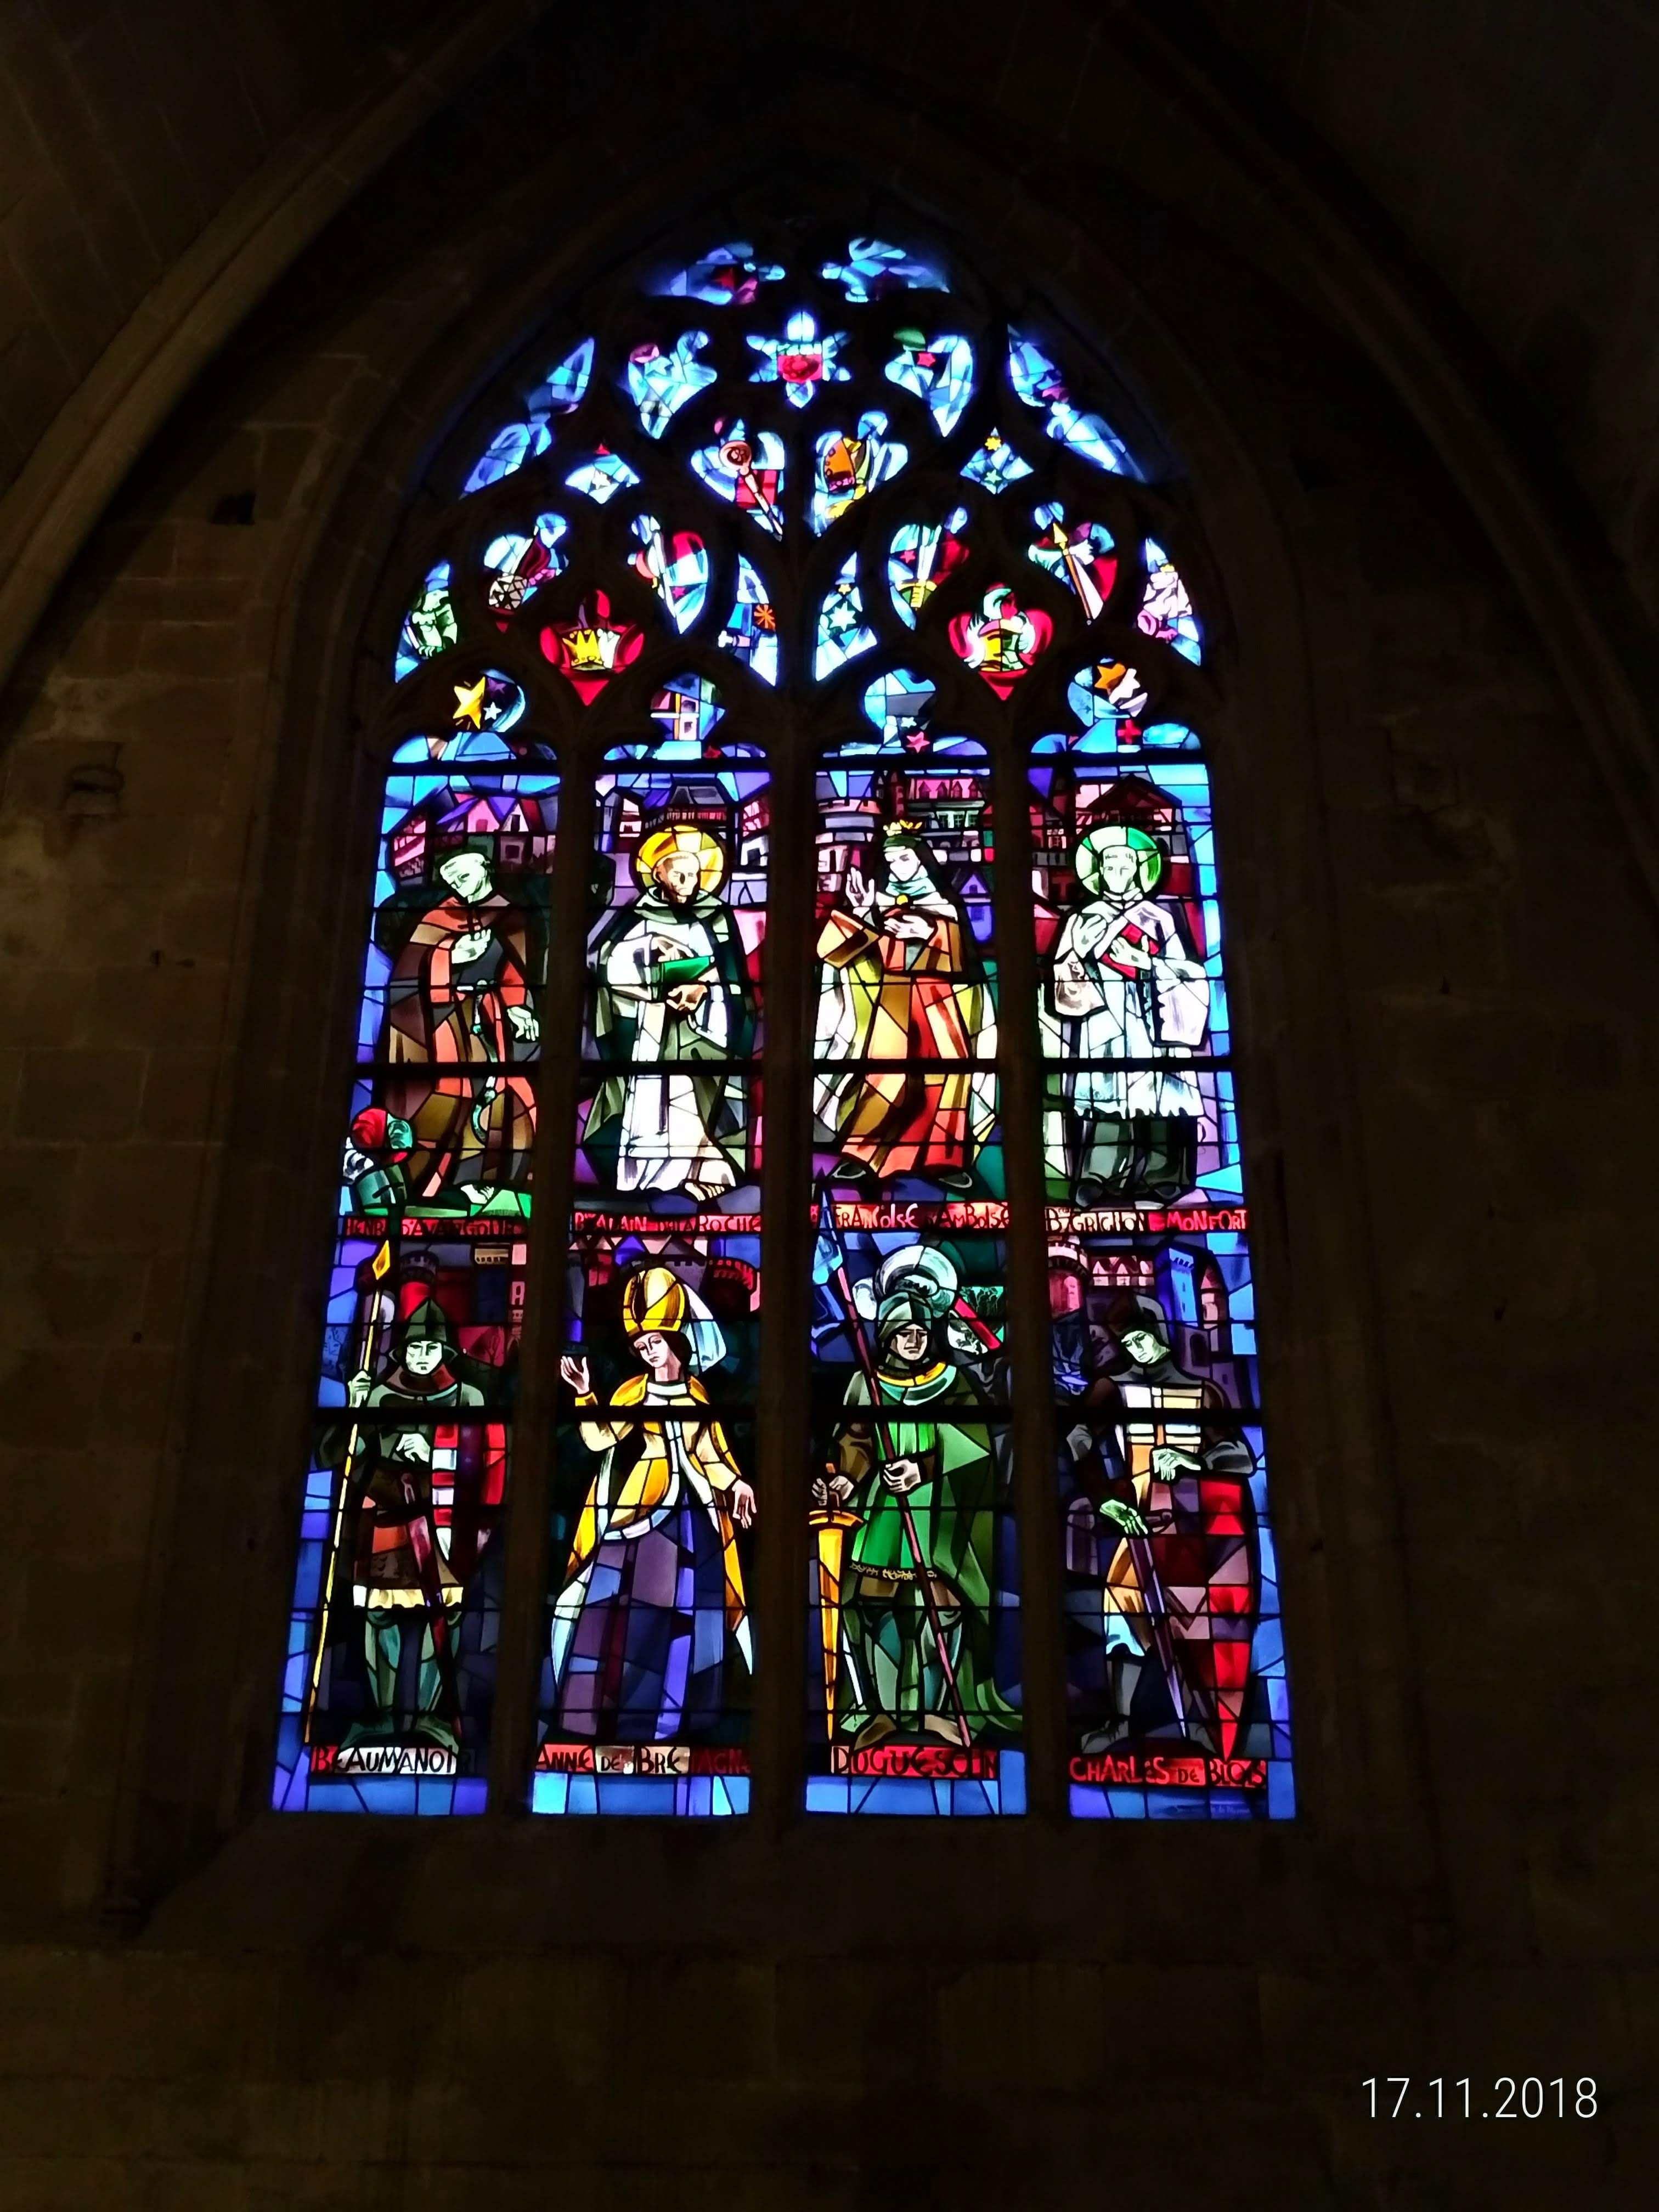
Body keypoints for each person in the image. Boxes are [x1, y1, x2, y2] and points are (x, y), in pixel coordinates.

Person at [551, 1266, 755, 1741]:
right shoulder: (634, 1391)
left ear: (675, 1339)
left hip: (694, 1516)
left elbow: (711, 1456)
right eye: (641, 1346)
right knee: (635, 1617)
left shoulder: (698, 1395)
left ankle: (674, 1721)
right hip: (640, 1513)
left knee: (688, 1618)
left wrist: (738, 1485)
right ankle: (623, 1719)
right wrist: (584, 1395)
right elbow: (601, 1439)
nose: (648, 1352)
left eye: (655, 1342)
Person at [818, 1275, 1015, 1747]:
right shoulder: (866, 1384)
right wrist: (847, 1476)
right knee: (874, 1608)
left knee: (940, 1609)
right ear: (886, 1337)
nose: (913, 1341)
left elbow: (975, 1444)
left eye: (921, 1332)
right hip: (882, 1513)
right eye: (903, 1333)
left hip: (936, 1516)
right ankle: (885, 1712)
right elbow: (855, 1439)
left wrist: (923, 1467)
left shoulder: (953, 1383)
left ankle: (934, 1711)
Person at [1059, 1292, 1256, 1757]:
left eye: (1143, 1339)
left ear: (1162, 1334)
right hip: (1139, 1522)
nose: (1138, 1350)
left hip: (1194, 1531)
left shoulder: (1203, 1394)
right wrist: (1106, 1500)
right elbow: (1078, 1438)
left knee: (1195, 1625)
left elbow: (1241, 1457)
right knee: (1122, 1615)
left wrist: (1193, 1461)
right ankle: (1120, 1722)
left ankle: (1203, 1725)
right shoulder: (1113, 1390)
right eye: (1129, 1343)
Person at [333, 1296, 504, 1751]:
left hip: (446, 1523)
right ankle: (382, 1714)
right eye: (414, 1348)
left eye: (431, 1348)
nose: (422, 1357)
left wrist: (434, 1452)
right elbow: (346, 1455)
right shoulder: (378, 1395)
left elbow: (489, 1458)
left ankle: (431, 1717)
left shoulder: (468, 1398)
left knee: (442, 1613)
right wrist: (355, 1408)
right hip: (386, 1516)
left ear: (445, 1352)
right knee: (379, 1614)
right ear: (402, 1352)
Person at [814, 821, 996, 1191]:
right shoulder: (879, 901)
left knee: (950, 1072)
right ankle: (862, 1154)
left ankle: (943, 1158)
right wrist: (862, 912)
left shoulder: (943, 904)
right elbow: (834, 951)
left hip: (938, 995)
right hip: (893, 995)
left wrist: (928, 932)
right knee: (885, 1072)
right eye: (891, 860)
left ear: (922, 860)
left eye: (905, 858)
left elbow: (965, 958)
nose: (897, 866)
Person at [585, 827, 753, 1202]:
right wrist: (647, 964)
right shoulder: (636, 916)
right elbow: (607, 969)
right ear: (658, 874)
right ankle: (654, 1176)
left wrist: (704, 988)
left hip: (704, 1031)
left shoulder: (715, 916)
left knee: (690, 1101)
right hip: (649, 1032)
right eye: (679, 874)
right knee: (650, 1103)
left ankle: (700, 1170)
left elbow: (733, 978)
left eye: (695, 874)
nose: (689, 882)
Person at [1046, 822, 1209, 1203]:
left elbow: (1188, 975)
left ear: (1138, 871)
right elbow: (1063, 980)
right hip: (1104, 1022)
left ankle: (1162, 1174)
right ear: (1098, 872)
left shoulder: (1159, 919)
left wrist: (1146, 963)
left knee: (1162, 1092)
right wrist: (1079, 952)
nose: (1117, 874)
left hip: (1155, 1022)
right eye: (1109, 866)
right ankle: (1101, 1176)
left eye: (1125, 866)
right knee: (1107, 1093)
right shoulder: (1081, 920)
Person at [382, 847, 539, 1203]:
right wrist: (449, 957)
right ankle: (439, 1178)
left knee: (499, 1092)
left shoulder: (510, 916)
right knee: (458, 1089)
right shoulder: (438, 919)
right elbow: (407, 977)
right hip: (447, 1022)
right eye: (452, 881)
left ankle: (481, 1174)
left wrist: (517, 1007)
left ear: (485, 868)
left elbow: (513, 970)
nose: (459, 886)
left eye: (464, 876)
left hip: (491, 1019)